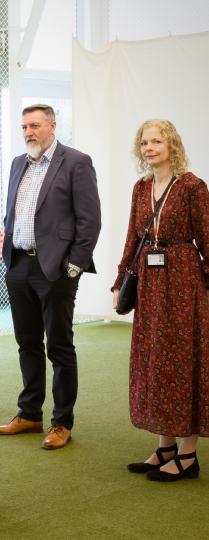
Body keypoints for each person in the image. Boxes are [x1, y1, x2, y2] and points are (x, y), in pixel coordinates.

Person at [0, 104, 101, 450]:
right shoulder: (17, 163)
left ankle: (62, 422)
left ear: (53, 126)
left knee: (59, 346)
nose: (29, 132)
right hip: (18, 265)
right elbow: (13, 213)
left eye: (35, 125)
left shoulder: (76, 162)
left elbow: (90, 220)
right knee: (27, 343)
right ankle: (29, 414)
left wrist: (74, 266)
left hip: (55, 269)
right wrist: (7, 253)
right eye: (25, 126)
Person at [114, 119, 209, 482]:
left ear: (172, 145)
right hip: (150, 285)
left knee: (183, 362)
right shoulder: (141, 187)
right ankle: (165, 448)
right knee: (157, 361)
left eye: (156, 141)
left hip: (184, 284)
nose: (149, 148)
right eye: (144, 142)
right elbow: (132, 237)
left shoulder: (193, 186)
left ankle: (187, 455)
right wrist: (120, 280)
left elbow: (207, 237)